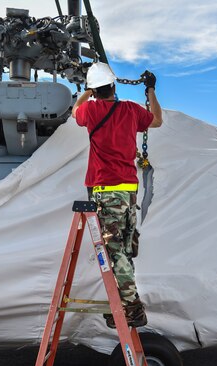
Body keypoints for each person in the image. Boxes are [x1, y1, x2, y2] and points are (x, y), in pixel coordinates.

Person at [72, 62, 162, 329]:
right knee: (124, 249)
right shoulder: (131, 110)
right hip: (128, 191)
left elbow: (75, 110)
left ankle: (133, 308)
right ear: (113, 86)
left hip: (105, 190)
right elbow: (156, 120)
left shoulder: (90, 109)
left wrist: (86, 92)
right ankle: (124, 305)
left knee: (113, 251)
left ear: (95, 90)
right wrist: (151, 90)